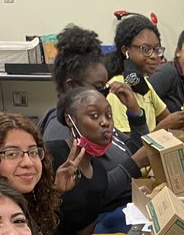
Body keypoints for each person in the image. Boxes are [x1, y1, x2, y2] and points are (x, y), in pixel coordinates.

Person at [43, 86, 144, 235]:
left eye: (108, 115)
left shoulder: (99, 175)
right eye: (94, 116)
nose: (105, 122)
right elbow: (27, 215)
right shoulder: (48, 157)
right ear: (70, 120)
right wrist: (56, 192)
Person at [43, 23, 149, 151]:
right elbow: (94, 170)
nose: (104, 94)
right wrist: (133, 165)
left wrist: (135, 112)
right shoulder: (62, 131)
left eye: (105, 86)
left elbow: (136, 151)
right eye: (98, 87)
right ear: (71, 87)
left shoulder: (96, 122)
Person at [105, 14, 184, 141]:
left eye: (156, 49)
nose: (154, 56)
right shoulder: (117, 89)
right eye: (145, 49)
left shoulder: (144, 83)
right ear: (125, 50)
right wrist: (163, 127)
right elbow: (129, 150)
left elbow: (167, 118)